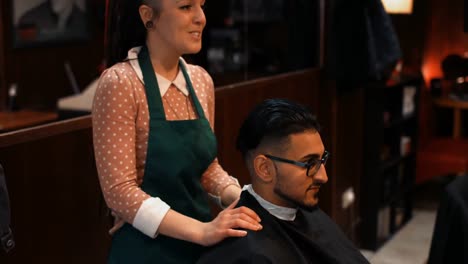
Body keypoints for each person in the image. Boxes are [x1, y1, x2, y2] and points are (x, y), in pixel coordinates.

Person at [91, 0, 262, 263]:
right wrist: (202, 230)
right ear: (149, 16)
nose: (201, 17)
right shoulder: (120, 83)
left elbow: (206, 168)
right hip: (145, 252)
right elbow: (119, 192)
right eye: (186, 7)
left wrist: (242, 199)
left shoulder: (200, 80)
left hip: (201, 249)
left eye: (202, 5)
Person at [197, 99, 369, 264]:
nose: (323, 176)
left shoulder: (306, 212)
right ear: (265, 169)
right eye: (309, 163)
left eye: (322, 159)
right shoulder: (249, 253)